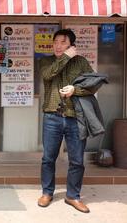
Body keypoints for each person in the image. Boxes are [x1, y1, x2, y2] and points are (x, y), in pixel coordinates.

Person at [37, 29, 94, 213]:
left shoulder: (82, 62)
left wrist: (74, 91)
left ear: (72, 45)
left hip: (75, 117)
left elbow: (92, 85)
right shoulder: (46, 61)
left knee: (77, 160)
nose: (58, 46)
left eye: (63, 42)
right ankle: (47, 192)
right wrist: (66, 58)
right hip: (52, 117)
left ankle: (73, 196)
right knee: (48, 158)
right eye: (56, 42)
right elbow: (48, 75)